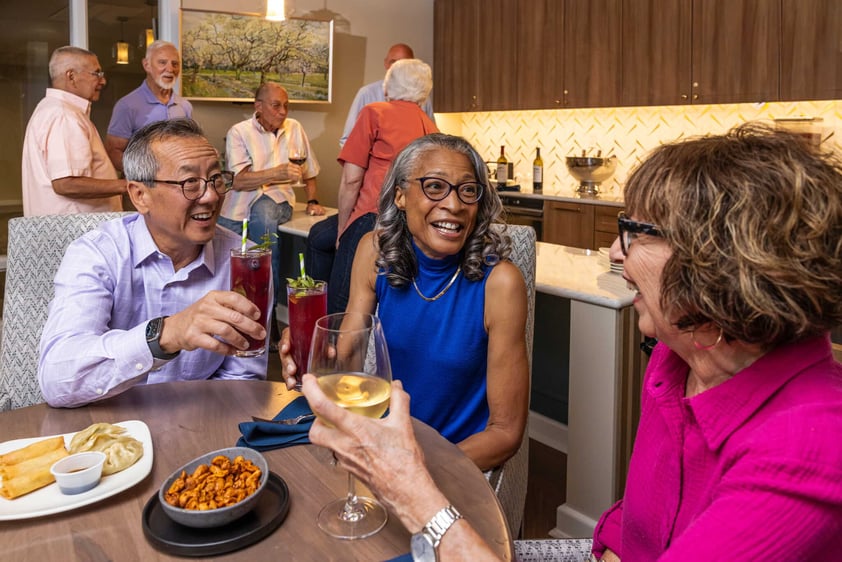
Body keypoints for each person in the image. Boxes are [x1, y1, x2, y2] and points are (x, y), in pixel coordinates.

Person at [304, 123, 842, 560]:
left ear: (716, 263)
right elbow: (634, 525)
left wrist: (414, 488)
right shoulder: (679, 363)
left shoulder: (811, 449)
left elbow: (504, 434)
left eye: (634, 232)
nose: (611, 252)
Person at [288, 133, 529, 472]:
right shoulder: (375, 252)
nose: (455, 204)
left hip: (450, 463)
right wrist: (308, 350)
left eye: (468, 190)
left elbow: (506, 433)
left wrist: (414, 470)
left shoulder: (500, 284)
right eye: (434, 187)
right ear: (400, 196)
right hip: (383, 443)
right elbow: (345, 360)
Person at [38, 119, 268, 409]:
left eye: (215, 179)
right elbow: (58, 379)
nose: (211, 196)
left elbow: (242, 380)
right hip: (111, 427)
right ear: (139, 196)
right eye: (189, 183)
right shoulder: (97, 253)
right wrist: (165, 335)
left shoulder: (247, 262)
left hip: (203, 428)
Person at [306, 59, 438, 313]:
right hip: (406, 221)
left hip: (370, 217)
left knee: (340, 305)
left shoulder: (374, 112)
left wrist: (344, 230)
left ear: (388, 87)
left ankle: (321, 332)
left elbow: (351, 179)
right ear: (424, 93)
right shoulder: (430, 127)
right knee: (319, 235)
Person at [218, 82, 325, 340]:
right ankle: (228, 319)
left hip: (277, 199)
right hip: (237, 205)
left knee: (263, 225)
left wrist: (312, 201)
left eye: (286, 105)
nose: (283, 111)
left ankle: (267, 317)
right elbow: (238, 180)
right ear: (259, 107)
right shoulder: (239, 132)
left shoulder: (295, 129)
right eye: (276, 105)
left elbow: (309, 173)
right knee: (223, 255)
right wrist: (277, 172)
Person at [21, 46, 125, 217]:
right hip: (74, 234)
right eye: (96, 74)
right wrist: (128, 185)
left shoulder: (54, 109)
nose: (103, 81)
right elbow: (66, 184)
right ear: (71, 76)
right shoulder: (64, 115)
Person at [105, 40, 193, 172]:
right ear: (147, 65)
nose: (170, 69)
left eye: (175, 64)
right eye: (162, 62)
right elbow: (114, 152)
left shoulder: (185, 106)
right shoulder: (127, 105)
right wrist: (142, 177)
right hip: (144, 186)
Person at [339, 43, 435, 148]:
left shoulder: (423, 98)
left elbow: (431, 140)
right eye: (393, 62)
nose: (397, 68)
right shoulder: (367, 95)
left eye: (404, 64)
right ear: (386, 63)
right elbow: (348, 141)